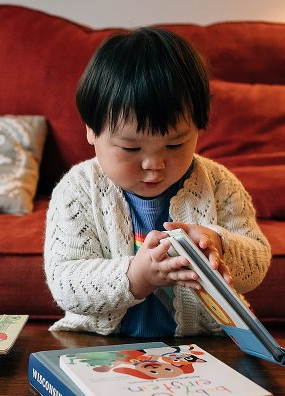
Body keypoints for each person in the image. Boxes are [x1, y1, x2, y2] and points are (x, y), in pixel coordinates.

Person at [44, 27, 271, 337]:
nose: (154, 165)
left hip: (205, 346)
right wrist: (137, 276)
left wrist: (220, 246)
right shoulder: (77, 190)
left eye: (175, 145)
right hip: (102, 346)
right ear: (91, 131)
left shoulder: (217, 183)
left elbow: (257, 262)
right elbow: (64, 282)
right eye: (131, 148)